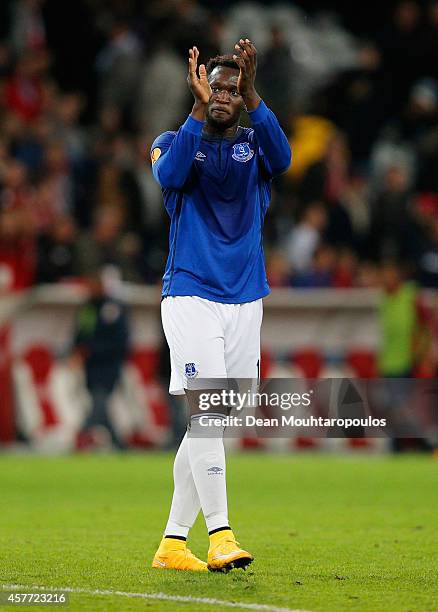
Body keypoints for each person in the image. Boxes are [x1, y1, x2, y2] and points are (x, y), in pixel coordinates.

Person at [150, 40, 291, 572]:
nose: (223, 95)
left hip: (246, 297)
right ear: (199, 86)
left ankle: (170, 542)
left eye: (234, 88)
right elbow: (168, 177)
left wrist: (254, 95)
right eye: (215, 85)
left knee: (220, 418)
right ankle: (221, 535)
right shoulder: (172, 141)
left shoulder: (256, 144)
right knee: (206, 412)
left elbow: (285, 159)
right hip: (190, 294)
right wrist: (194, 111)